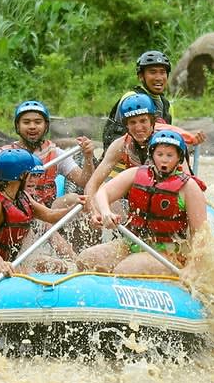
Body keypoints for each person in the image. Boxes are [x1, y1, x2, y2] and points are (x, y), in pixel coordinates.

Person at [77, 130, 207, 276]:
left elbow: (201, 233)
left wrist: (193, 267)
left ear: (179, 158)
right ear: (152, 155)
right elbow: (103, 193)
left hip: (169, 252)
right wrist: (106, 212)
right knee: (87, 259)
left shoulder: (189, 187)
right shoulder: (135, 173)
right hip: (132, 243)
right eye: (160, 154)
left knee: (125, 270)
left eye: (169, 155)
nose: (164, 160)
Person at [0, 148, 83, 280]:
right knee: (22, 272)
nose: (34, 179)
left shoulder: (22, 196)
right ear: (21, 176)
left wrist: (75, 208)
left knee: (59, 267)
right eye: (30, 174)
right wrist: (1, 264)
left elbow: (50, 215)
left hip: (8, 260)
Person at [84, 93, 204, 221]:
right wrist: (95, 213)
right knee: (101, 206)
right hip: (139, 201)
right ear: (126, 125)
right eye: (132, 122)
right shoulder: (121, 145)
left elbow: (186, 185)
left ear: (152, 121)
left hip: (169, 202)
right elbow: (92, 185)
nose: (138, 128)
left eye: (143, 121)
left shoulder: (169, 144)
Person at [0, 100, 96, 209]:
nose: (32, 126)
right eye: (26, 122)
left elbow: (85, 182)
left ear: (46, 126)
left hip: (49, 210)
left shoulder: (57, 154)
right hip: (14, 209)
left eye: (38, 122)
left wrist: (88, 157)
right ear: (18, 126)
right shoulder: (1, 157)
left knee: (73, 198)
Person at [102, 50, 206, 151]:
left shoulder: (166, 106)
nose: (159, 78)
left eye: (162, 72)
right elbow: (145, 129)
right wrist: (187, 135)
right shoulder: (132, 98)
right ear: (141, 76)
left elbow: (167, 139)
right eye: (153, 72)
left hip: (147, 155)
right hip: (120, 154)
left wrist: (191, 141)